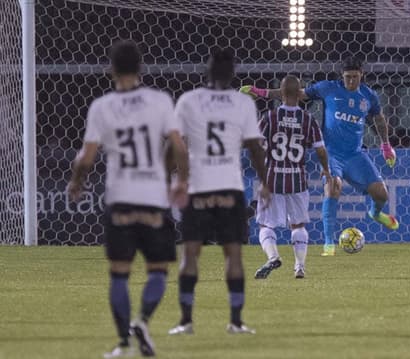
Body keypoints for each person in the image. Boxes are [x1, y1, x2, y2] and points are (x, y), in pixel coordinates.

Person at [67, 40, 189, 358]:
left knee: (119, 273)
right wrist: (182, 181)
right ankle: (143, 322)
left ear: (111, 70)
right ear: (140, 68)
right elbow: (179, 145)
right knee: (158, 271)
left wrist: (76, 182)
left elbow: (86, 157)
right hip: (153, 199)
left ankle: (123, 344)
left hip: (120, 199)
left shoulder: (102, 107)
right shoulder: (160, 101)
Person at [241, 57, 398, 257]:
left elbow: (378, 117)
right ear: (342, 76)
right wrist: (261, 92)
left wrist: (386, 145)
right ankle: (329, 244)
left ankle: (375, 214)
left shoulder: (368, 96)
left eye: (355, 77)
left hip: (356, 154)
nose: (351, 81)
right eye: (347, 77)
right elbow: (294, 94)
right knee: (333, 187)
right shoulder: (329, 88)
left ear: (362, 75)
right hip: (332, 153)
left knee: (381, 194)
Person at [168, 49, 271, 336]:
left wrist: (172, 179)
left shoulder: (189, 101)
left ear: (207, 71)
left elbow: (175, 144)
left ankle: (185, 321)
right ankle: (236, 321)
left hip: (198, 187)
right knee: (233, 256)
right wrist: (265, 181)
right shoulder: (242, 103)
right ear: (232, 74)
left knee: (190, 255)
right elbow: (255, 147)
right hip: (229, 187)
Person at [253, 75, 331, 279]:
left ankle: (273, 257)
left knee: (266, 225)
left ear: (280, 93)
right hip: (297, 179)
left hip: (272, 179)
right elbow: (321, 150)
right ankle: (300, 267)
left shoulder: (269, 117)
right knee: (298, 225)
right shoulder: (308, 119)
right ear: (299, 94)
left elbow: (257, 149)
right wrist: (326, 170)